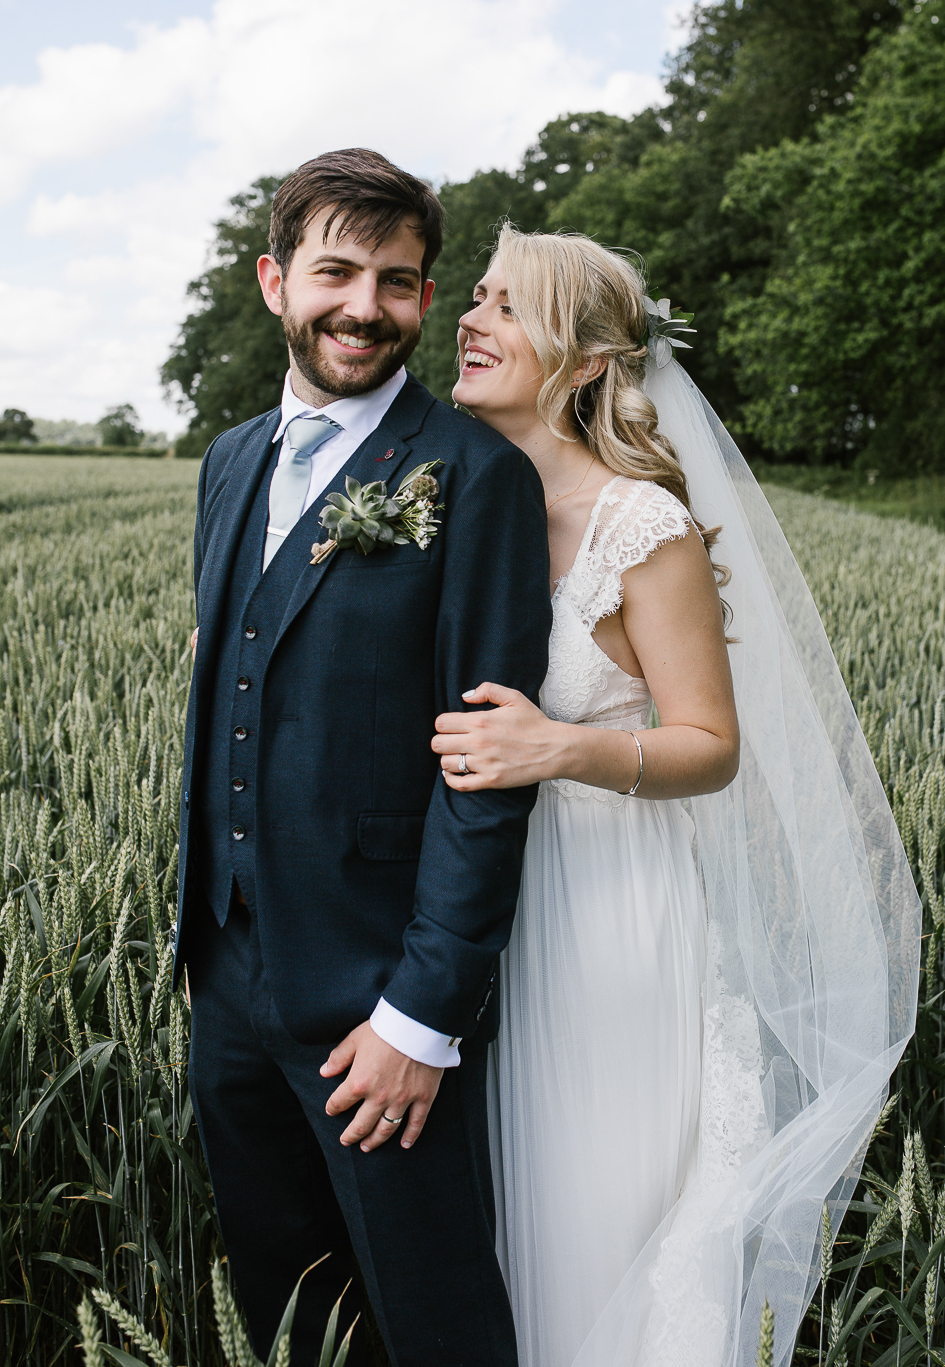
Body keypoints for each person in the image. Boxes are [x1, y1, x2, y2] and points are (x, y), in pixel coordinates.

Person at [431, 228, 922, 1367]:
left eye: (508, 307)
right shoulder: (455, 502)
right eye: (477, 296)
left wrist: (557, 749)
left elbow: (710, 744)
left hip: (607, 912)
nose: (471, 319)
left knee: (591, 1215)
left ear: (589, 360)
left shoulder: (640, 525)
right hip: (474, 911)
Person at [172, 149, 551, 1366]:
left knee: (432, 1322)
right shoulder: (231, 460)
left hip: (376, 1002)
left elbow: (487, 770)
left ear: (426, 301)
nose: (365, 308)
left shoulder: (476, 476)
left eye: (397, 282)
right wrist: (204, 955)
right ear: (277, 282)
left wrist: (422, 1016)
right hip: (226, 972)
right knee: (292, 1320)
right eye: (337, 272)